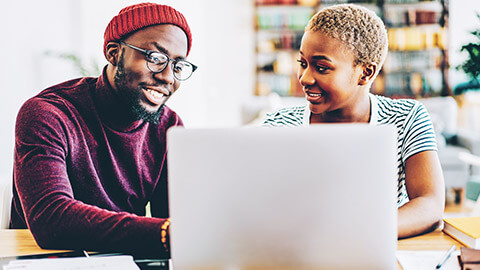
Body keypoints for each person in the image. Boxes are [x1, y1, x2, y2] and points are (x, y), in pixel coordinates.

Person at [10, 3, 197, 258]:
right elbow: (51, 220)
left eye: (177, 66)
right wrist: (166, 234)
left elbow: (176, 223)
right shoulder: (48, 114)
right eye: (155, 58)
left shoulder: (168, 127)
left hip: (124, 261)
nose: (167, 77)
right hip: (47, 263)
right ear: (113, 53)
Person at [263, 4, 445, 239]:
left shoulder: (406, 118)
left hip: (372, 251)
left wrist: (356, 234)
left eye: (321, 67)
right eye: (302, 63)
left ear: (365, 73)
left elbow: (429, 203)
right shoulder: (279, 125)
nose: (305, 78)